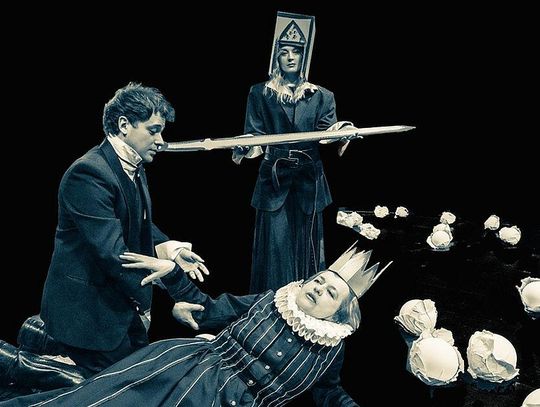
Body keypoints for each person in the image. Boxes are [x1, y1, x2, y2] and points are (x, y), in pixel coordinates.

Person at [0, 244, 389, 406]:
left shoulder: (331, 350)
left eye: (330, 292)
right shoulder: (270, 301)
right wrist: (173, 274)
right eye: (318, 280)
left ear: (339, 315)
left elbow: (328, 392)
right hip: (189, 373)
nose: (318, 288)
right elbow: (207, 309)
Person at [32, 83, 210, 376]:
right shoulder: (88, 173)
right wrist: (171, 283)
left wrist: (171, 249)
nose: (161, 141)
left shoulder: (132, 164)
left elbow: (136, 221)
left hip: (117, 308)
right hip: (87, 317)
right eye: (153, 131)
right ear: (124, 125)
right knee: (125, 389)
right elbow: (113, 254)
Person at [232, 12, 360, 293]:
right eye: (284, 52)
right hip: (274, 181)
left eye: (296, 52)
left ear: (305, 56)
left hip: (309, 181)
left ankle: (306, 305)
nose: (290, 57)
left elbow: (327, 133)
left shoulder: (322, 96)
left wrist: (342, 131)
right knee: (274, 250)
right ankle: (270, 305)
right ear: (275, 56)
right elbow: (255, 136)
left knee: (308, 249)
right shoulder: (260, 93)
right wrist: (245, 146)